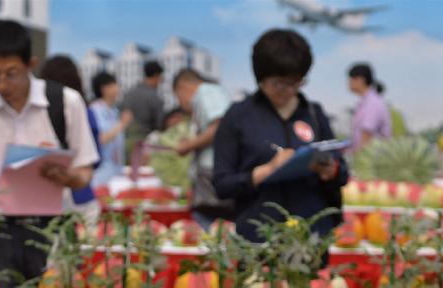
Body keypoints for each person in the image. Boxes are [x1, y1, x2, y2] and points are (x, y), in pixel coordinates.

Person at [0, 20, 98, 288]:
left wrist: (68, 177)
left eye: (11, 73)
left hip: (53, 229)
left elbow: (85, 172)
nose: (1, 84)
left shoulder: (65, 103)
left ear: (30, 64)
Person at [212, 29, 348, 242]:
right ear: (260, 77)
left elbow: (342, 172)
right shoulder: (239, 116)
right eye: (279, 82)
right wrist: (268, 170)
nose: (288, 90)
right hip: (258, 241)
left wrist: (331, 170)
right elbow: (222, 184)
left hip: (311, 238)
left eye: (296, 82)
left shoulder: (314, 113)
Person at [38, 54, 102, 218]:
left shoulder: (37, 113)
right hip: (80, 196)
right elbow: (95, 158)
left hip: (44, 196)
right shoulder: (85, 110)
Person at [172, 68, 233, 227]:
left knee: (208, 226)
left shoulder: (206, 91)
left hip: (212, 174)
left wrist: (188, 145)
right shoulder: (211, 93)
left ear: (182, 87)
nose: (181, 104)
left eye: (178, 97)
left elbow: (219, 126)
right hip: (212, 175)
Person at [89, 71, 129, 187]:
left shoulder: (114, 111)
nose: (118, 88)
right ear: (104, 89)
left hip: (116, 171)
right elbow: (100, 139)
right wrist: (122, 124)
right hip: (100, 173)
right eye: (113, 85)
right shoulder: (95, 110)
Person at [121, 60, 164, 160]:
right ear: (156, 76)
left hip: (126, 145)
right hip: (145, 149)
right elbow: (160, 125)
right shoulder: (155, 97)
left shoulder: (129, 93)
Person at [347, 63, 391, 151]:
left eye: (351, 80)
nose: (348, 83)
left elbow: (366, 136)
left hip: (372, 161)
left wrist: (355, 159)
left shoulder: (372, 103)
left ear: (360, 80)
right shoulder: (365, 102)